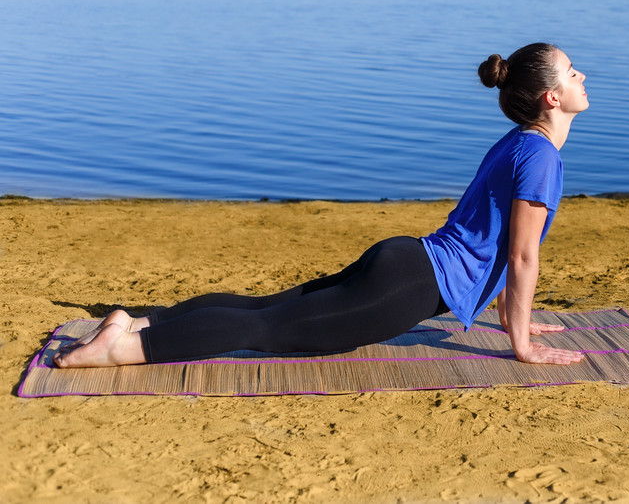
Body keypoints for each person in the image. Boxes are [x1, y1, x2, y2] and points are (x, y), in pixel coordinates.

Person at [54, 42, 588, 369]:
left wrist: (509, 314)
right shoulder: (539, 156)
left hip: (407, 261)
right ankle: (119, 350)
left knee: (267, 306)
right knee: (266, 331)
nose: (580, 77)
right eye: (570, 72)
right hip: (411, 285)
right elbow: (519, 257)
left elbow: (490, 243)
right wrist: (521, 342)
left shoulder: (522, 143)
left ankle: (135, 322)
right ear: (550, 97)